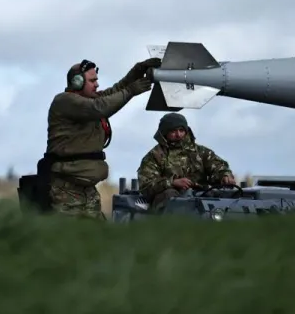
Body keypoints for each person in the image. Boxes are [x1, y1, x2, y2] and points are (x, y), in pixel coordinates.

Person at [43, 56, 160, 220]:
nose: (97, 84)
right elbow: (100, 107)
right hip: (66, 190)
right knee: (68, 239)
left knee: (97, 240)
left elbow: (114, 92)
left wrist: (136, 72)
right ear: (77, 82)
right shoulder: (64, 101)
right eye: (92, 80)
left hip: (87, 190)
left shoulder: (88, 100)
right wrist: (131, 91)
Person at [135, 111, 235, 212]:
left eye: (181, 130)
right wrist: (172, 183)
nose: (178, 135)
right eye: (173, 131)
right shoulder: (154, 156)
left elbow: (218, 165)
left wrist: (225, 175)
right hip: (169, 202)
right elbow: (146, 185)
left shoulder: (200, 152)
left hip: (201, 197)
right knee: (170, 195)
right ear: (165, 133)